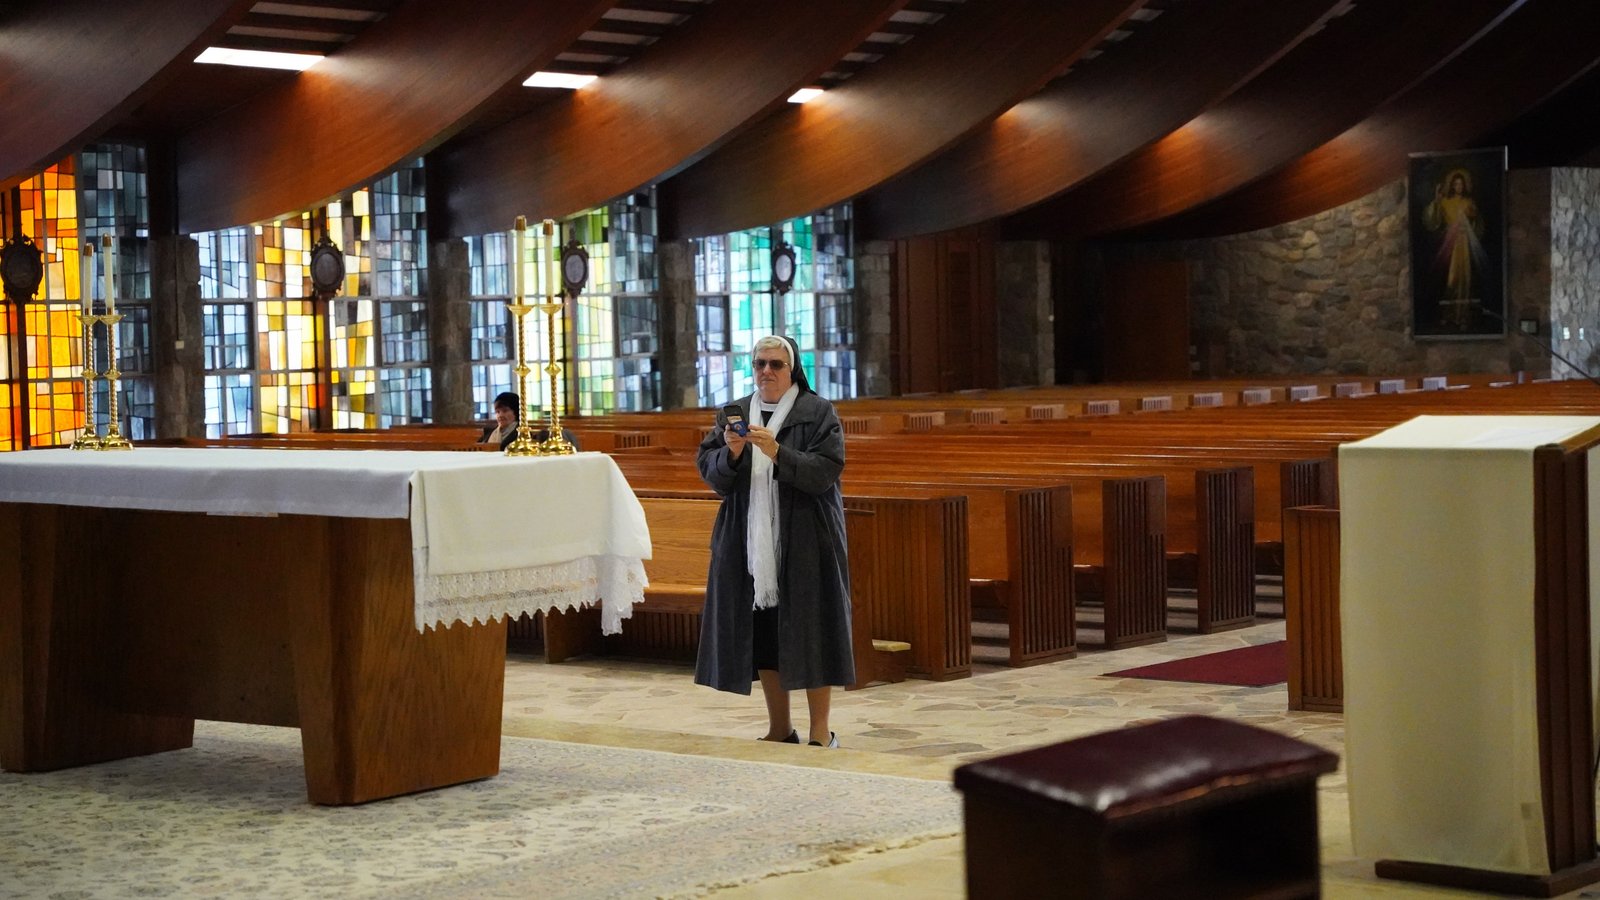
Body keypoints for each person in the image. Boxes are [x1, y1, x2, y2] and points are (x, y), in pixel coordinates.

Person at [695, 335, 854, 748]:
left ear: (792, 369)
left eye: (775, 365)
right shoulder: (735, 414)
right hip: (748, 539)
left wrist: (778, 451)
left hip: (805, 536)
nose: (766, 371)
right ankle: (779, 727)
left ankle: (821, 731)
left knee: (812, 630)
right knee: (765, 632)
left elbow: (826, 470)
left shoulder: (817, 412)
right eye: (759, 363)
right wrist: (730, 454)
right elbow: (710, 472)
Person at [1421, 169, 1488, 326]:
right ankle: (1449, 314)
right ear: (1451, 185)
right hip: (1449, 244)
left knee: (1466, 278)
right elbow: (1432, 221)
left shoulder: (1469, 203)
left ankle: (1464, 316)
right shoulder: (1445, 202)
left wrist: (1474, 217)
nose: (1458, 186)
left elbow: (1478, 226)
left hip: (1465, 243)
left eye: (1461, 184)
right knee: (1451, 279)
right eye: (1456, 184)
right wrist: (1436, 201)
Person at [477, 390, 580, 450]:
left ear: (516, 412)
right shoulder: (489, 433)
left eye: (505, 411)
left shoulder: (524, 435)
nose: (500, 415)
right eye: (498, 412)